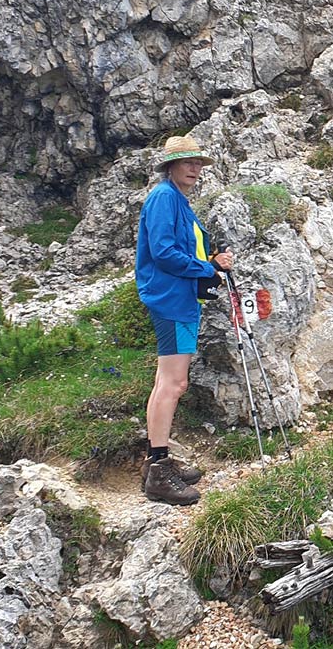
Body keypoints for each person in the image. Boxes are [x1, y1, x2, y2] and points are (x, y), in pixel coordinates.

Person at [135, 135, 234, 505]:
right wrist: (206, 267)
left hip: (178, 299)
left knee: (166, 381)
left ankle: (155, 460)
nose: (195, 168)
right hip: (171, 300)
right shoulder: (164, 198)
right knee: (173, 384)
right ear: (171, 166)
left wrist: (210, 258)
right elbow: (162, 252)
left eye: (198, 163)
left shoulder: (177, 200)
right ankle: (159, 471)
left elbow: (181, 247)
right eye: (188, 162)